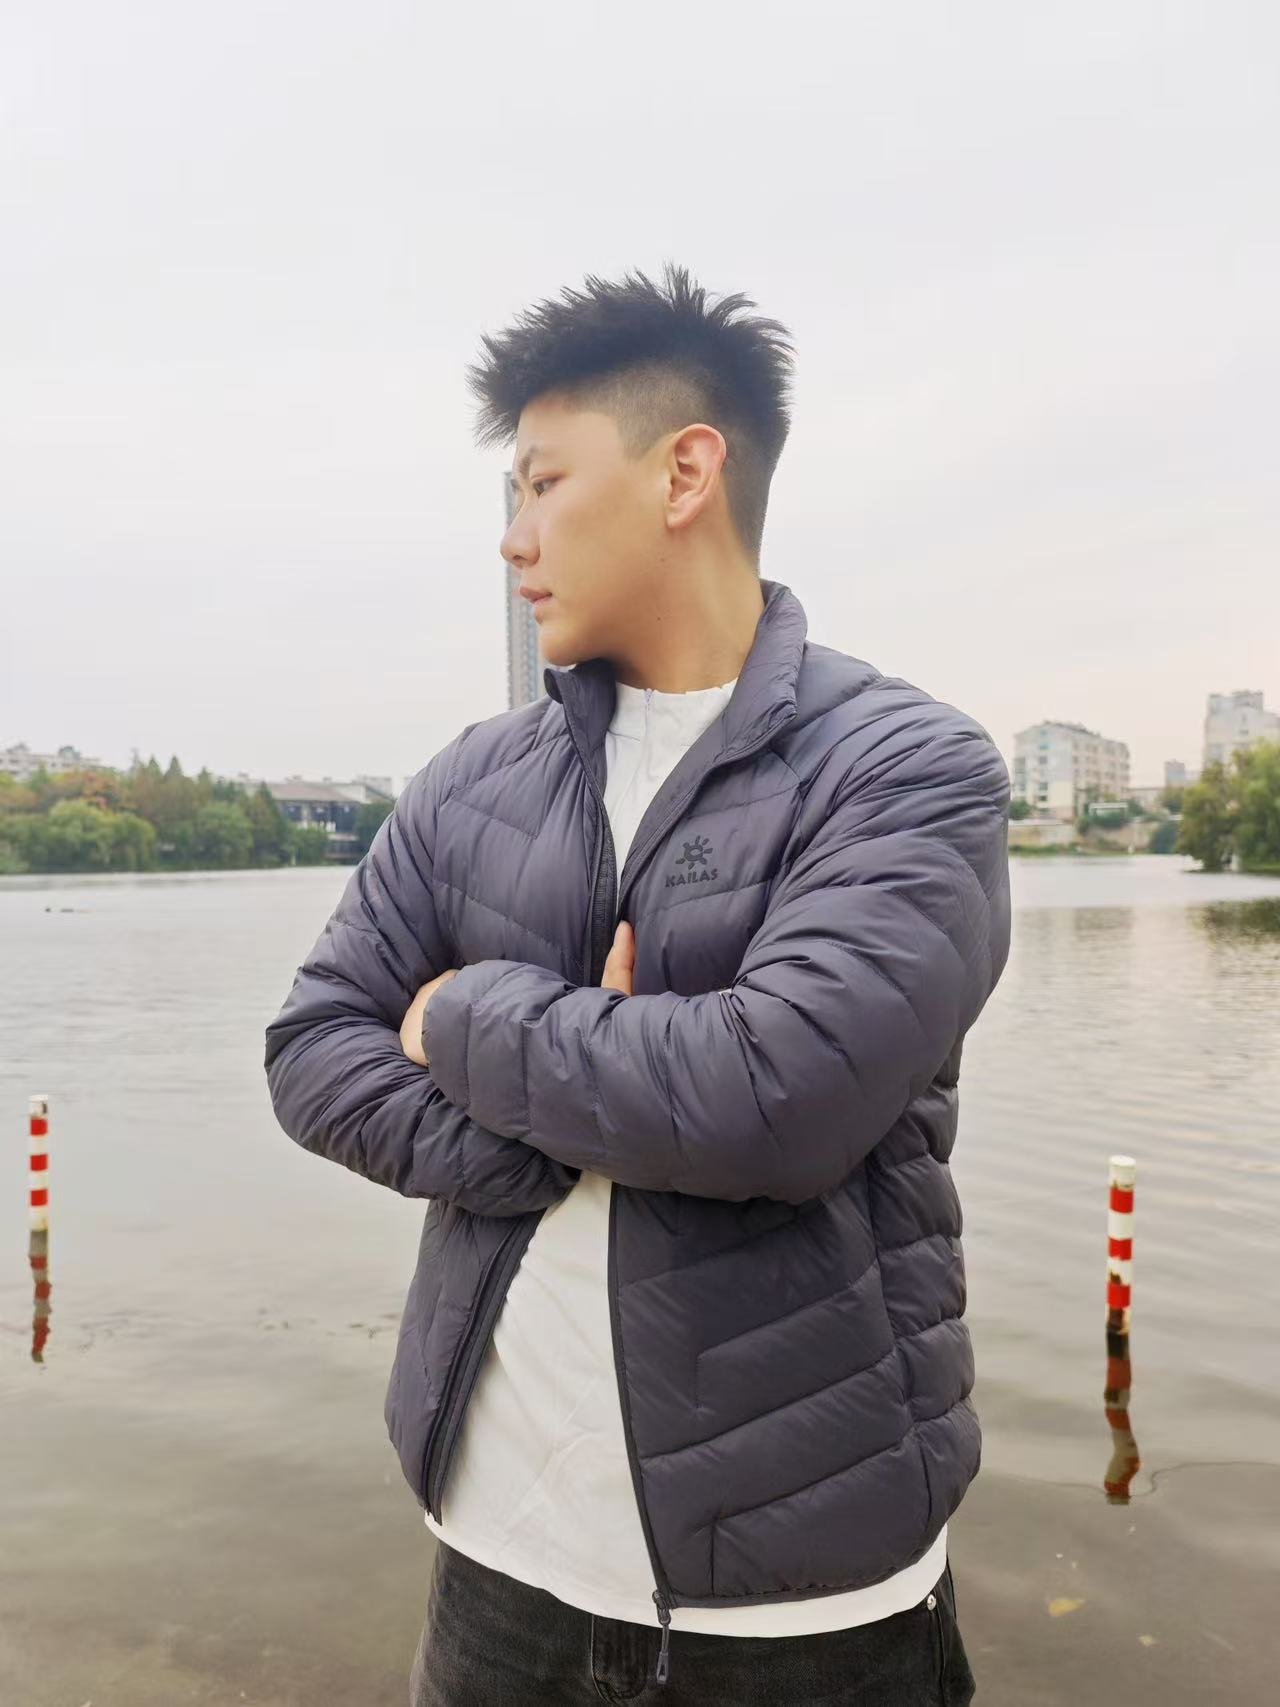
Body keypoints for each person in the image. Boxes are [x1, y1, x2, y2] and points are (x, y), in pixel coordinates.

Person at [264, 262, 1009, 1704]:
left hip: (802, 1602)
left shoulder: (904, 769)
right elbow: (310, 1048)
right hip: (495, 1559)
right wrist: (559, 1123)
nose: (514, 537)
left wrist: (461, 1015)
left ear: (685, 473)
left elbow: (777, 1101)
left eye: (543, 484)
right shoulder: (476, 780)